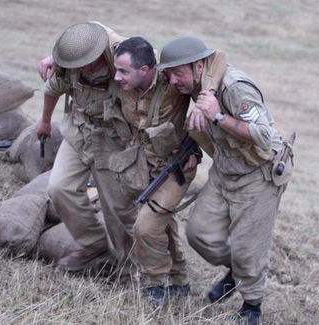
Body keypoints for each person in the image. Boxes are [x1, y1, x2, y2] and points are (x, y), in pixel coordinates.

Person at [157, 35, 288, 324]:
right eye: (169, 75)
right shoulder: (197, 85)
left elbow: (264, 136)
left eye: (177, 74)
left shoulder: (235, 87)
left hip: (259, 174)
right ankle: (238, 268)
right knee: (199, 234)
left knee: (247, 248)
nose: (173, 82)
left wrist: (217, 117)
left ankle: (251, 307)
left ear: (198, 68)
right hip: (226, 170)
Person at [37, 22, 138, 274]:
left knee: (117, 207)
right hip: (79, 131)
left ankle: (129, 266)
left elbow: (151, 64)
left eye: (87, 62)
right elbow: (52, 90)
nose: (82, 68)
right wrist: (45, 121)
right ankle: (94, 245)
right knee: (58, 187)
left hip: (115, 139)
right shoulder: (68, 63)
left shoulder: (123, 57)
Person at [108, 37, 200, 305]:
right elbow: (98, 33)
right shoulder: (122, 80)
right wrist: (54, 59)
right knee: (161, 224)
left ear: (146, 70)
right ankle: (179, 279)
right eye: (117, 70)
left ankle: (155, 284)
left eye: (124, 71)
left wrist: (207, 102)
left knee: (146, 227)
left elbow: (215, 63)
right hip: (143, 166)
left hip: (178, 168)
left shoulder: (171, 80)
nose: (117, 77)